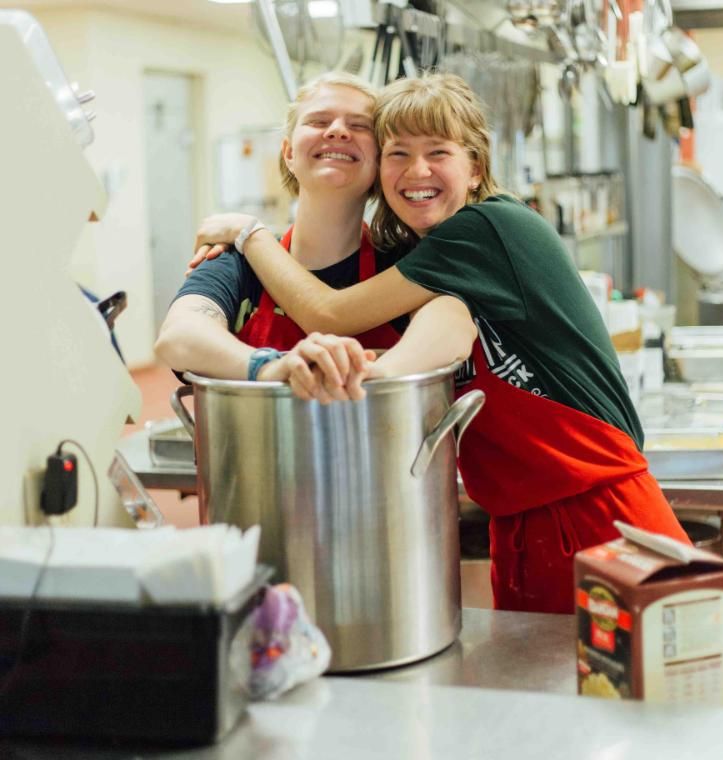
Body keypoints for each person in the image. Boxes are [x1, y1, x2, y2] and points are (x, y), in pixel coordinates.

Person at [191, 73, 689, 615]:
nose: (417, 171)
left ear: (475, 167)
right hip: (520, 525)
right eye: (398, 153)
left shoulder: (486, 229)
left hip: (598, 514)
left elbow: (328, 312)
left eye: (438, 152)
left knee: (646, 692)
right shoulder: (426, 257)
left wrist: (248, 234)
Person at [156, 72, 468, 403]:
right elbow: (179, 336)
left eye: (359, 125)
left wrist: (363, 375)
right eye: (319, 121)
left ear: (379, 161)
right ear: (289, 153)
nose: (337, 130)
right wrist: (272, 367)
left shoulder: (404, 261)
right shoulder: (236, 262)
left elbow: (453, 325)